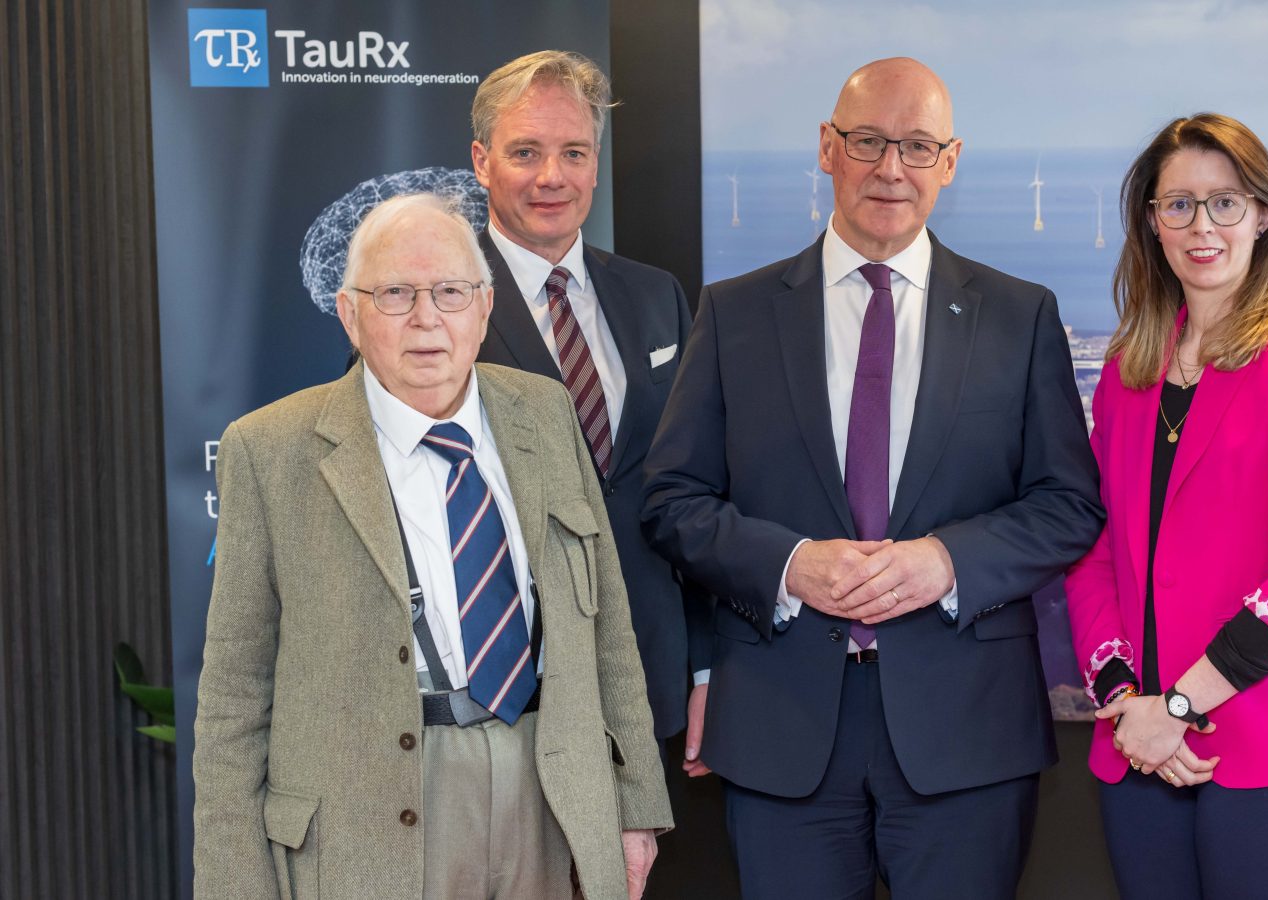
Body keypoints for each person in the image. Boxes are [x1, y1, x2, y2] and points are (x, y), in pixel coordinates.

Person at [641, 57, 1105, 899]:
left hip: (968, 733)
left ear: (950, 161)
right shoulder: (736, 312)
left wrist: (946, 562)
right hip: (785, 728)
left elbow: (1069, 505)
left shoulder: (1019, 314)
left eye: (917, 146)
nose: (892, 168)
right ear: (828, 148)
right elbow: (672, 500)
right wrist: (790, 566)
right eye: (868, 141)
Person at [193, 194, 671, 900]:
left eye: (450, 292)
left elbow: (606, 630)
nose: (426, 319)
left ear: (484, 309)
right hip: (365, 821)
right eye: (395, 294)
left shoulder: (545, 410)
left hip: (548, 790)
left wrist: (635, 805)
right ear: (351, 316)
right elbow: (235, 694)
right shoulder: (269, 451)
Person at [1065, 113, 1268, 899]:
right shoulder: (1130, 370)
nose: (1202, 226)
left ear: (1263, 214)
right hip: (1139, 751)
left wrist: (1176, 705)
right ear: (1151, 224)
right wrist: (1127, 703)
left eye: (1225, 202)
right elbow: (1093, 552)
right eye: (1179, 205)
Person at [469, 49, 711, 750]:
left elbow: (695, 490)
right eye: (525, 152)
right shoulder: (435, 304)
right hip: (504, 691)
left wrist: (703, 665)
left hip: (649, 675)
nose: (552, 177)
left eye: (573, 152)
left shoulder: (655, 294)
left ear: (595, 165)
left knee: (637, 867)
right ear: (482, 161)